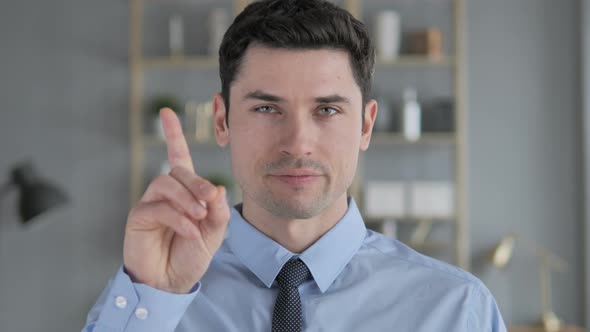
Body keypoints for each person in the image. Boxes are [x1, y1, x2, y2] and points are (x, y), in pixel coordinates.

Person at [83, 0, 507, 331]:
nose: (298, 142)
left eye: (327, 109)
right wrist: (154, 297)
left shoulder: (457, 309)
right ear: (221, 120)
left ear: (365, 125)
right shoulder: (149, 300)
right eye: (267, 108)